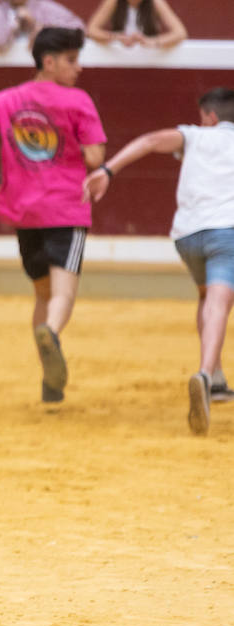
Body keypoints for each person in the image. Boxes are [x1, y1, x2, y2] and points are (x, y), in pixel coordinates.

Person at [0, 27, 106, 404]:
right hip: (65, 207)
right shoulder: (77, 101)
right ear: (49, 61)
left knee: (41, 293)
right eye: (72, 61)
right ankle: (53, 335)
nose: (79, 69)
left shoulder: (5, 99)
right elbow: (94, 158)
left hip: (23, 211)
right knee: (63, 293)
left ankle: (49, 381)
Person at [82, 87, 234, 434]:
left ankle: (218, 377)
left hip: (187, 235)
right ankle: (206, 374)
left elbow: (151, 141)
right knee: (219, 302)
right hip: (227, 230)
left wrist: (108, 169)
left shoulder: (193, 136)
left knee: (206, 296)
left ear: (209, 117)